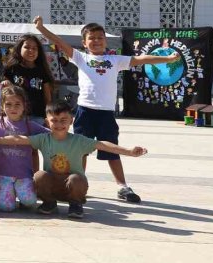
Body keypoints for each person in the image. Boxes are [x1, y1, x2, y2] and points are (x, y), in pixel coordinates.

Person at [33, 16, 179, 204]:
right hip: (84, 112)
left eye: (100, 38)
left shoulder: (115, 60)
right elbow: (59, 42)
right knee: (80, 151)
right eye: (91, 38)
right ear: (84, 43)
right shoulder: (80, 57)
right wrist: (41, 28)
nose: (96, 41)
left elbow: (142, 59)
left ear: (105, 40)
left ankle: (122, 186)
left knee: (112, 151)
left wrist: (167, 58)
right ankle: (78, 184)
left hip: (106, 114)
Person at [0, 100, 148, 219]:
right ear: (47, 122)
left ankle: (75, 204)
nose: (59, 124)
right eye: (54, 121)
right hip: (52, 185)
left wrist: (128, 151)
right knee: (39, 176)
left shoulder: (78, 140)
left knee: (76, 178)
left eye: (63, 120)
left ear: (71, 121)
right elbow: (19, 139)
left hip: (72, 186)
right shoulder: (44, 138)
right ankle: (49, 203)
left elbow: (103, 145)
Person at [1, 34, 54, 123]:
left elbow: (47, 97)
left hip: (37, 116)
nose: (31, 51)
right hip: (15, 115)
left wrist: (49, 115)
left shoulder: (42, 70)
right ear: (19, 49)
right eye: (27, 47)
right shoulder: (11, 69)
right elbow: (4, 93)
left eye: (34, 48)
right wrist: (6, 84)